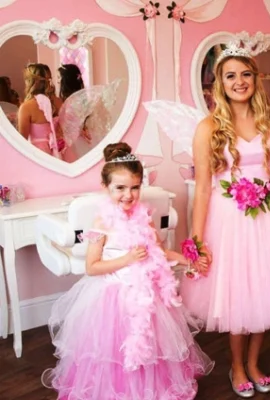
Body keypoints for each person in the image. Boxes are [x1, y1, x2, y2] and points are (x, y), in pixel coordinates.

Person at [180, 39, 270, 398]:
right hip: (228, 221)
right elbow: (204, 187)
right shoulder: (208, 128)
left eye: (246, 74)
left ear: (256, 77)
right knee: (238, 294)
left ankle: (254, 362)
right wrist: (197, 237)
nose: (239, 81)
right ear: (219, 83)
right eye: (230, 76)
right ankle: (237, 366)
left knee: (266, 291)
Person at [42, 142, 214, 399]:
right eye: (120, 188)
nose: (128, 195)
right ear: (105, 187)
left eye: (134, 187)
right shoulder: (101, 223)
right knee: (115, 354)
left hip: (146, 297)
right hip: (113, 298)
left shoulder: (143, 218)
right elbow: (92, 267)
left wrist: (188, 262)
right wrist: (127, 258)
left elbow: (159, 252)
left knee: (152, 349)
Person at [17, 63, 63, 157]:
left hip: (37, 155)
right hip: (58, 152)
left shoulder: (26, 107)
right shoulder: (58, 102)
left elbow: (22, 141)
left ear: (30, 81)